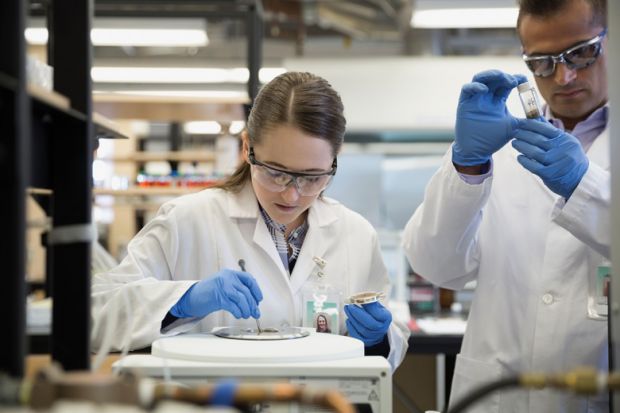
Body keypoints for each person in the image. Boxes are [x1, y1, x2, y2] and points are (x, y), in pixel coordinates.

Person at [91, 71, 409, 371]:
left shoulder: (355, 235)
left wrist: (377, 339)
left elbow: (389, 350)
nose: (292, 195)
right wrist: (182, 300)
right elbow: (94, 315)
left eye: (312, 178)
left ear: (334, 161)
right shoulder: (187, 221)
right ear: (247, 148)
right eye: (276, 173)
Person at [403, 0, 609, 411]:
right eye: (542, 63)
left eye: (581, 53)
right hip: (495, 396)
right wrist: (467, 165)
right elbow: (436, 265)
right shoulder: (496, 144)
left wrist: (584, 187)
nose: (564, 76)